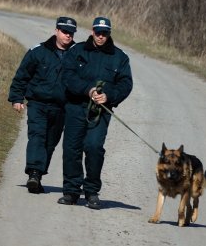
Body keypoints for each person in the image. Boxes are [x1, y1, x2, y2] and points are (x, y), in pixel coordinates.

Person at [59, 16, 133, 209]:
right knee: (71, 148)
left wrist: (109, 96)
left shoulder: (120, 57)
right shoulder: (77, 50)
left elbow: (126, 83)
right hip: (76, 106)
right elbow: (67, 75)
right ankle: (71, 191)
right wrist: (87, 90)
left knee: (93, 147)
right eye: (98, 32)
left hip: (100, 111)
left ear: (109, 34)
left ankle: (91, 191)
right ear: (92, 31)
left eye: (105, 33)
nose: (101, 36)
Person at [8, 16, 78, 193]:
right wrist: (17, 98)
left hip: (62, 107)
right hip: (38, 104)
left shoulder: (78, 55)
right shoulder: (38, 51)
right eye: (64, 32)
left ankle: (38, 175)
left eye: (71, 33)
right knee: (37, 136)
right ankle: (34, 173)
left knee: (50, 143)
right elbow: (22, 75)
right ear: (56, 31)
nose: (68, 36)